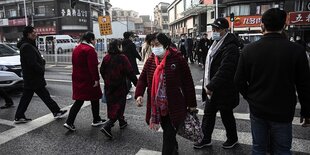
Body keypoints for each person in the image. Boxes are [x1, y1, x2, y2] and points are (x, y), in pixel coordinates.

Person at [234, 8, 310, 154]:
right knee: (282, 150)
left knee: (259, 148)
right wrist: (307, 111)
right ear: (284, 26)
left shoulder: (249, 50)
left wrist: (250, 97)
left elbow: (238, 81)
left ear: (262, 25)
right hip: (283, 110)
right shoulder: (296, 51)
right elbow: (304, 85)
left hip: (258, 108)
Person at [135, 33, 197, 155]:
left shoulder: (178, 58)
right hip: (158, 106)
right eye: (152, 45)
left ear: (166, 44)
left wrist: (191, 103)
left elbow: (188, 82)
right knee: (168, 133)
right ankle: (174, 149)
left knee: (168, 135)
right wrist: (139, 94)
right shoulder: (151, 60)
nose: (154, 48)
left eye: (157, 44)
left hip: (174, 105)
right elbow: (142, 79)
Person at [194, 18, 240, 149]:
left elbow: (226, 69)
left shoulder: (231, 47)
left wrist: (211, 85)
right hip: (213, 88)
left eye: (217, 30)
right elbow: (210, 66)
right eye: (213, 29)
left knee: (226, 115)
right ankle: (205, 139)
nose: (214, 32)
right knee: (208, 114)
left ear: (225, 30)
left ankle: (233, 138)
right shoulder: (215, 43)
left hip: (224, 88)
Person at [14, 26, 67, 124]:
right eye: (33, 32)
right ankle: (56, 111)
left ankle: (19, 116)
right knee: (43, 95)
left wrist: (41, 62)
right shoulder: (27, 46)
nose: (35, 34)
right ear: (28, 34)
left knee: (28, 97)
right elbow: (32, 63)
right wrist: (41, 68)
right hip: (33, 77)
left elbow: (35, 59)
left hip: (31, 77)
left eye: (35, 32)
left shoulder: (29, 44)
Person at [63, 32, 105, 131]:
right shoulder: (90, 50)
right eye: (94, 39)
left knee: (80, 100)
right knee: (93, 98)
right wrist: (96, 79)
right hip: (88, 79)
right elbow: (92, 67)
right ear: (91, 39)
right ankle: (94, 119)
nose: (95, 41)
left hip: (78, 77)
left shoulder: (77, 48)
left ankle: (95, 119)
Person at [99, 39, 138, 138]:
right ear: (118, 46)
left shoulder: (106, 57)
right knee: (119, 105)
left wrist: (107, 79)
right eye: (120, 45)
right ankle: (108, 125)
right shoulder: (122, 58)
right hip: (120, 86)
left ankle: (122, 121)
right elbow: (130, 72)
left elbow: (102, 70)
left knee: (112, 105)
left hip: (109, 86)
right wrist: (137, 83)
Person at [122, 32, 142, 100]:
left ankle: (129, 87)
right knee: (129, 75)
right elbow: (135, 52)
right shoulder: (131, 44)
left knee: (126, 75)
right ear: (129, 36)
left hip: (123, 61)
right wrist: (139, 57)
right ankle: (126, 91)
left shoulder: (122, 43)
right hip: (130, 61)